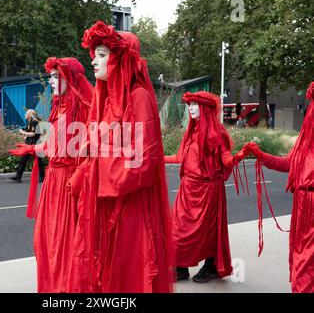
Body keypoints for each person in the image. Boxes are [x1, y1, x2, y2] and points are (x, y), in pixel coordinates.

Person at [68, 21, 174, 293]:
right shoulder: (104, 100)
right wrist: (81, 173)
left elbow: (144, 162)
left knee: (128, 273)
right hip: (103, 205)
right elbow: (95, 148)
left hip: (130, 208)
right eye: (94, 55)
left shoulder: (138, 98)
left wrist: (96, 171)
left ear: (120, 58)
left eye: (102, 55)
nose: (94, 62)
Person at [9, 57, 93, 292]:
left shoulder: (84, 109)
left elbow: (92, 149)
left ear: (71, 78)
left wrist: (80, 174)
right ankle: (55, 287)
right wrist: (31, 148)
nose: (52, 81)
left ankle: (67, 289)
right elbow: (52, 146)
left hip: (69, 182)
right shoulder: (59, 107)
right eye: (51, 77)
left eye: (57, 77)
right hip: (53, 182)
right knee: (45, 241)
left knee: (65, 243)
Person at [164, 91, 247, 283]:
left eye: (194, 104)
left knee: (208, 232)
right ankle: (181, 267)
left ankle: (210, 266)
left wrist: (238, 157)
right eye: (189, 105)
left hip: (208, 191)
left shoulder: (217, 133)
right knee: (178, 230)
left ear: (206, 108)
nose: (190, 108)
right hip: (187, 189)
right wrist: (155, 158)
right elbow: (179, 158)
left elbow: (226, 159)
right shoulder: (191, 132)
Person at [243, 82, 314, 293]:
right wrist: (261, 155)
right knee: (303, 262)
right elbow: (287, 164)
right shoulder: (304, 144)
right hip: (302, 208)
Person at [11, 109, 45, 183]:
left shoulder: (34, 122)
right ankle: (18, 176)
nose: (25, 114)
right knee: (23, 160)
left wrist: (23, 132)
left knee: (38, 161)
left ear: (31, 115)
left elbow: (33, 134)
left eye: (26, 113)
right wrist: (26, 135)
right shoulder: (30, 122)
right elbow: (30, 133)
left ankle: (42, 176)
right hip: (29, 144)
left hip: (34, 145)